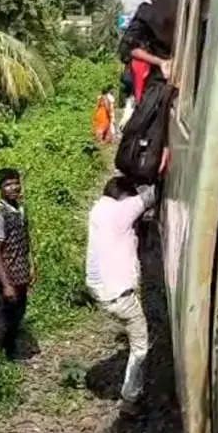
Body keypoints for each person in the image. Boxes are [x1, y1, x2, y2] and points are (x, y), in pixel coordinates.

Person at [85, 176, 155, 419]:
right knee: (141, 348)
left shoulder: (98, 210)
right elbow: (150, 196)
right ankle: (131, 400)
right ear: (123, 196)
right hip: (120, 295)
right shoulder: (121, 209)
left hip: (100, 291)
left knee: (133, 336)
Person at [117, 0, 179, 131]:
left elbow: (127, 48)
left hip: (159, 86)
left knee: (133, 139)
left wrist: (161, 62)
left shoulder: (147, 12)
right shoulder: (185, 6)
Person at [0, 168, 35, 359]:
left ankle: (10, 353)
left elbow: (26, 239)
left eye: (15, 182)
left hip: (19, 273)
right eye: (7, 184)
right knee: (2, 319)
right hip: (3, 278)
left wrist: (31, 265)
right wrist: (6, 285)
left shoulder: (20, 209)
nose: (13, 187)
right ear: (0, 189)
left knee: (17, 315)